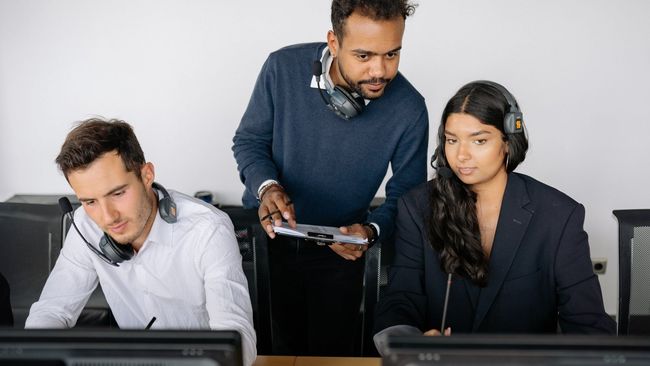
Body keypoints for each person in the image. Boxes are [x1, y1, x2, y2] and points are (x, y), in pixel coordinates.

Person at [232, 0, 428, 356]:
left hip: (339, 255)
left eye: (392, 54)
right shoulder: (281, 68)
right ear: (334, 44)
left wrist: (370, 231)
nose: (380, 71)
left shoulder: (410, 108)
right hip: (266, 242)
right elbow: (249, 141)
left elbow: (408, 196)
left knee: (330, 355)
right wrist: (267, 186)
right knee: (266, 351)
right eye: (365, 55)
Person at [373, 81, 616, 354]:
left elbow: (589, 325)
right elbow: (399, 300)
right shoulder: (417, 207)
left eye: (479, 140)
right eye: (452, 140)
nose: (461, 155)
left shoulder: (558, 215)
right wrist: (412, 344)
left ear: (509, 142)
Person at [26, 118, 256, 366]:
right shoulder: (85, 224)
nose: (107, 217)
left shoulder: (208, 229)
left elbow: (237, 339)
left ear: (146, 175)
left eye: (117, 193)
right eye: (90, 202)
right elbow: (51, 311)